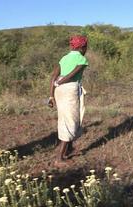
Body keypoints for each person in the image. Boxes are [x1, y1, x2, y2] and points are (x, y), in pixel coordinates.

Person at [48, 35, 89, 167]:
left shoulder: (64, 58)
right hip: (69, 89)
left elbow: (54, 76)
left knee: (67, 119)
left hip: (59, 90)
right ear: (83, 47)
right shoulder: (82, 59)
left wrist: (51, 95)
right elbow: (72, 74)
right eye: (85, 47)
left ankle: (68, 149)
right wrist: (62, 82)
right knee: (70, 121)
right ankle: (59, 158)